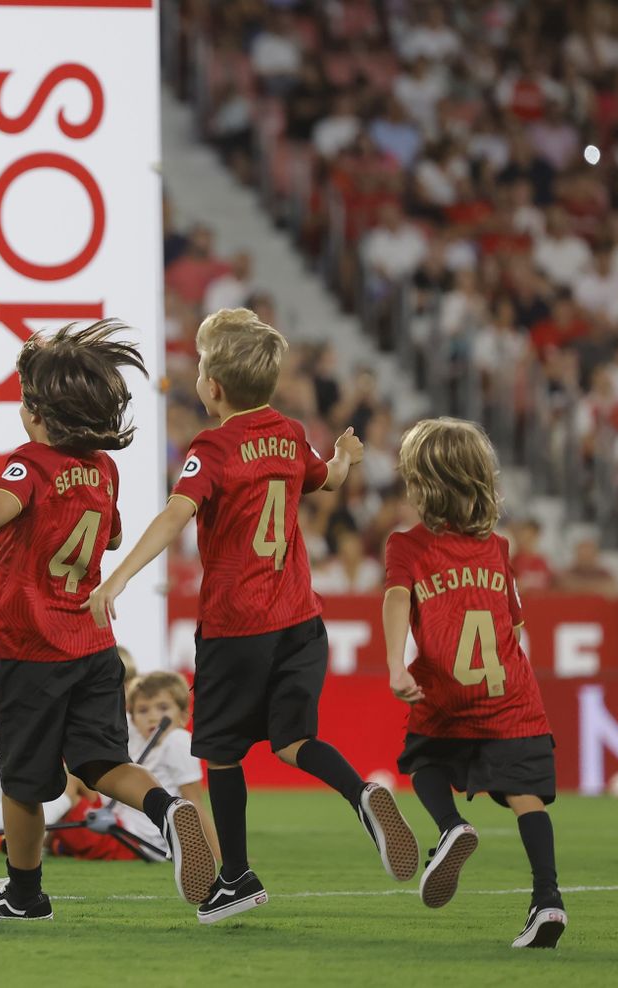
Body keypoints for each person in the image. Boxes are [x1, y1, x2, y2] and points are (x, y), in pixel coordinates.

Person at [0, 321, 214, 922]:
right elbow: (109, 538)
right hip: (95, 647)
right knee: (103, 763)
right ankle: (165, 809)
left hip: (32, 651)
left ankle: (25, 895)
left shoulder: (28, 464)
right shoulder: (103, 471)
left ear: (38, 414)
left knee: (23, 784)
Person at [89, 308, 416, 926]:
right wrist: (346, 454)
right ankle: (361, 792)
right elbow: (326, 479)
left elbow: (175, 515)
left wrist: (122, 574)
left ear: (212, 388)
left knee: (222, 752)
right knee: (295, 741)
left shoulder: (211, 446)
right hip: (301, 619)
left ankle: (235, 876)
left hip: (237, 626)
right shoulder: (291, 434)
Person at [380, 417, 567, 949]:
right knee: (526, 795)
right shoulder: (497, 548)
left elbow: (396, 599)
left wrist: (397, 664)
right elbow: (515, 626)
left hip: (446, 686)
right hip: (511, 693)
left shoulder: (407, 546)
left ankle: (450, 826)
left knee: (423, 761)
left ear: (423, 481)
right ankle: (548, 900)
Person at [112, 672, 217, 854]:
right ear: (133, 719)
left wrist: (218, 855)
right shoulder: (137, 738)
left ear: (184, 715)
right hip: (122, 830)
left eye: (163, 708)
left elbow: (194, 803)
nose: (153, 717)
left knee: (75, 781)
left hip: (142, 840)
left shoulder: (177, 741)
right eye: (143, 710)